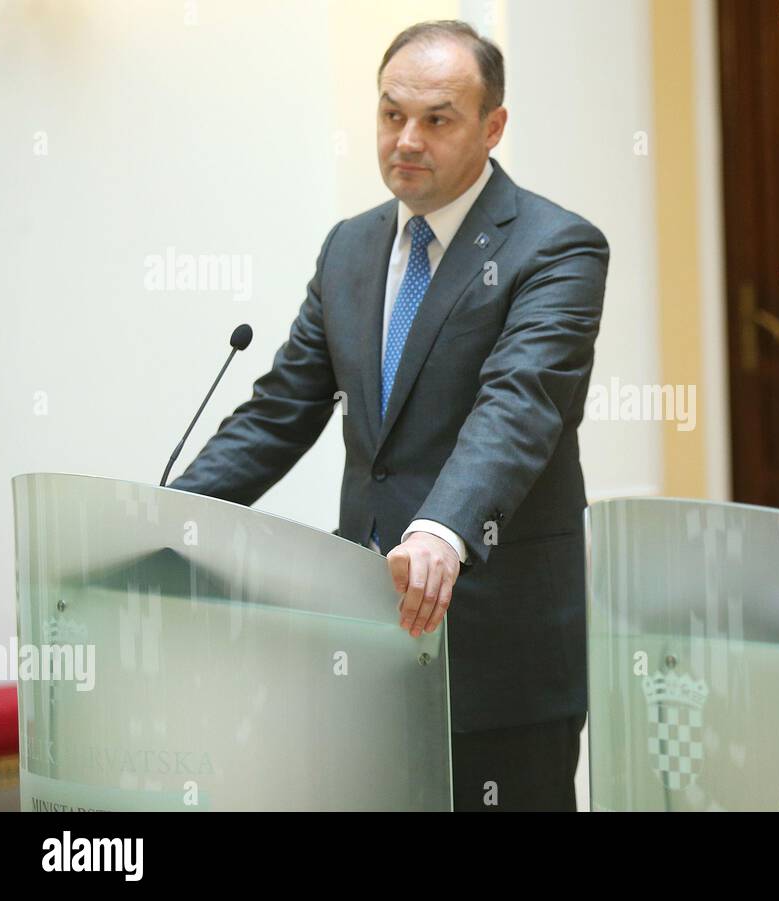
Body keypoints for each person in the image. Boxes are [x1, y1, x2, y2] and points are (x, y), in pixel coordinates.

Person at [170, 20, 608, 811]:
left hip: (499, 641)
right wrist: (167, 518)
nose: (406, 139)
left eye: (437, 118)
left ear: (493, 126)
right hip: (368, 635)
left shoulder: (557, 246)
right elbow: (280, 411)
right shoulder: (350, 248)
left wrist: (444, 526)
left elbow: (519, 403)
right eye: (390, 114)